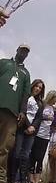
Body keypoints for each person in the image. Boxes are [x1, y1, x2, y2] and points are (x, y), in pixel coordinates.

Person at [8, 79, 44, 183]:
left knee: (26, 155)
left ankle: (23, 180)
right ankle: (12, 179)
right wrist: (28, 126)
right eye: (36, 86)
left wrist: (33, 127)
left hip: (32, 132)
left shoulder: (40, 103)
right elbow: (22, 111)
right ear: (32, 86)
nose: (37, 88)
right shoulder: (25, 97)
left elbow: (38, 118)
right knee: (17, 153)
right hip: (21, 128)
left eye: (40, 87)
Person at [0, 44, 31, 172]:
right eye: (22, 50)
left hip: (13, 113)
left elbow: (26, 94)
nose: (23, 53)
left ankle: (0, 175)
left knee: (5, 145)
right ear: (17, 50)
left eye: (26, 52)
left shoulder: (26, 73)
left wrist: (23, 111)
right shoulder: (4, 63)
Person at [29, 90, 56, 183]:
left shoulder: (53, 109)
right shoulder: (42, 105)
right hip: (37, 133)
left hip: (46, 136)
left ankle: (37, 181)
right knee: (33, 156)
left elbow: (55, 122)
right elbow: (37, 117)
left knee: (40, 158)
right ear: (52, 97)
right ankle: (31, 180)